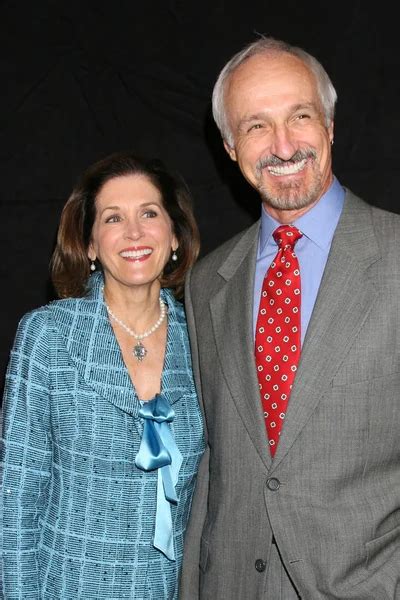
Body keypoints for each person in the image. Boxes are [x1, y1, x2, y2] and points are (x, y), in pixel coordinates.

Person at [180, 36, 400, 599]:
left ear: (329, 124)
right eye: (255, 126)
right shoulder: (208, 283)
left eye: (299, 116)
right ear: (230, 147)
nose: (282, 144)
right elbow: (216, 464)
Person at [1, 152, 205, 599]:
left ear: (174, 235)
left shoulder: (204, 340)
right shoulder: (47, 335)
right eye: (113, 218)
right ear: (90, 244)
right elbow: (15, 500)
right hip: (69, 587)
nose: (134, 232)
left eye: (149, 213)